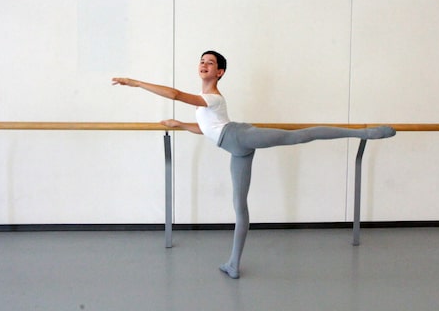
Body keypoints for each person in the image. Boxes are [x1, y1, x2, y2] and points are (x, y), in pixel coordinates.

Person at [112, 50, 395, 279]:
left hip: (240, 136)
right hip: (236, 149)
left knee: (298, 136)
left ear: (220, 72)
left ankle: (365, 133)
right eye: (202, 61)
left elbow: (175, 95)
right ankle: (233, 264)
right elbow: (208, 130)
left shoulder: (212, 97)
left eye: (210, 63)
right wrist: (181, 125)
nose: (204, 65)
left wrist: (136, 83)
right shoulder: (202, 105)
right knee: (240, 206)